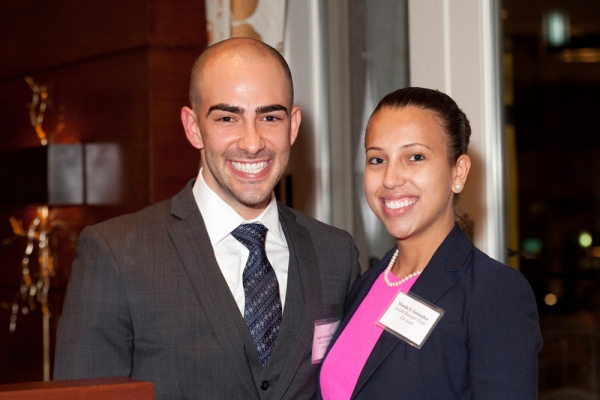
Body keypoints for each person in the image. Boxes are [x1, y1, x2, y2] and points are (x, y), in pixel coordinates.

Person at [54, 37, 360, 400]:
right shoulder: (116, 254)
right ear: (193, 126)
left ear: (293, 125)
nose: (251, 142)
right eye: (228, 117)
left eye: (270, 117)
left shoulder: (336, 253)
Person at [319, 87, 542, 399]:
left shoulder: (493, 292)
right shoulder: (364, 285)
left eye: (415, 157)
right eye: (377, 159)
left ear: (458, 172)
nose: (391, 178)